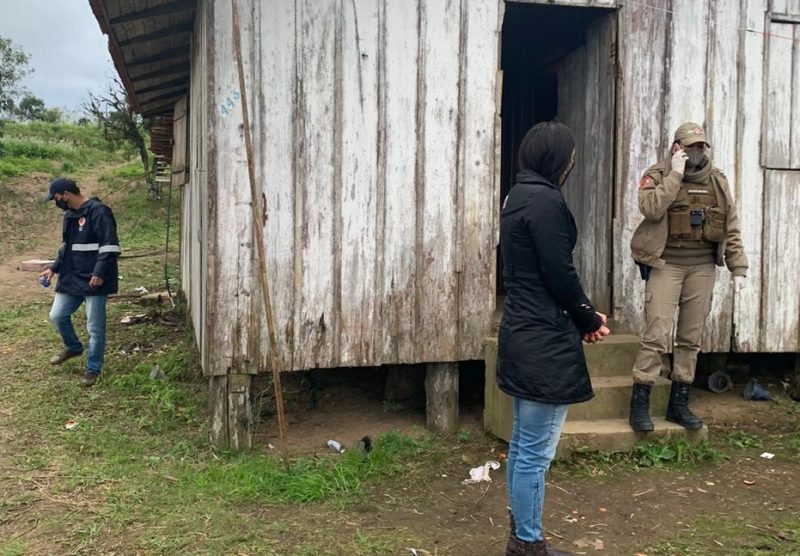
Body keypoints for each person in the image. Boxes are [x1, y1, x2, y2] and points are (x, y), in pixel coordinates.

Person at [497, 121, 611, 556]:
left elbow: (539, 274)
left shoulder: (517, 195)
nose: (574, 161)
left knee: (524, 444)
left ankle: (521, 537)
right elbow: (558, 271)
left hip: (524, 328)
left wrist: (580, 313)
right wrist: (586, 317)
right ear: (558, 159)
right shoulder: (545, 201)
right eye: (571, 155)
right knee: (535, 452)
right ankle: (527, 543)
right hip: (542, 338)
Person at [628, 122, 748, 432]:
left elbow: (730, 225)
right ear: (675, 147)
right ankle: (640, 404)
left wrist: (738, 267)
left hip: (702, 266)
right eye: (688, 146)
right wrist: (675, 175)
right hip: (665, 264)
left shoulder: (717, 181)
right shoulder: (657, 175)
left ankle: (678, 405)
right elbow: (651, 209)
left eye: (700, 146)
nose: (695, 151)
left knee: (690, 338)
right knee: (656, 333)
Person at [39, 177, 121, 387]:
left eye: (57, 198)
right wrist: (53, 268)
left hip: (95, 279)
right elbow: (66, 247)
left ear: (66, 194)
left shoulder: (99, 211)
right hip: (72, 276)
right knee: (57, 315)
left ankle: (93, 369)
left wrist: (100, 272)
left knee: (94, 327)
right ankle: (74, 347)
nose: (56, 202)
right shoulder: (69, 216)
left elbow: (110, 246)